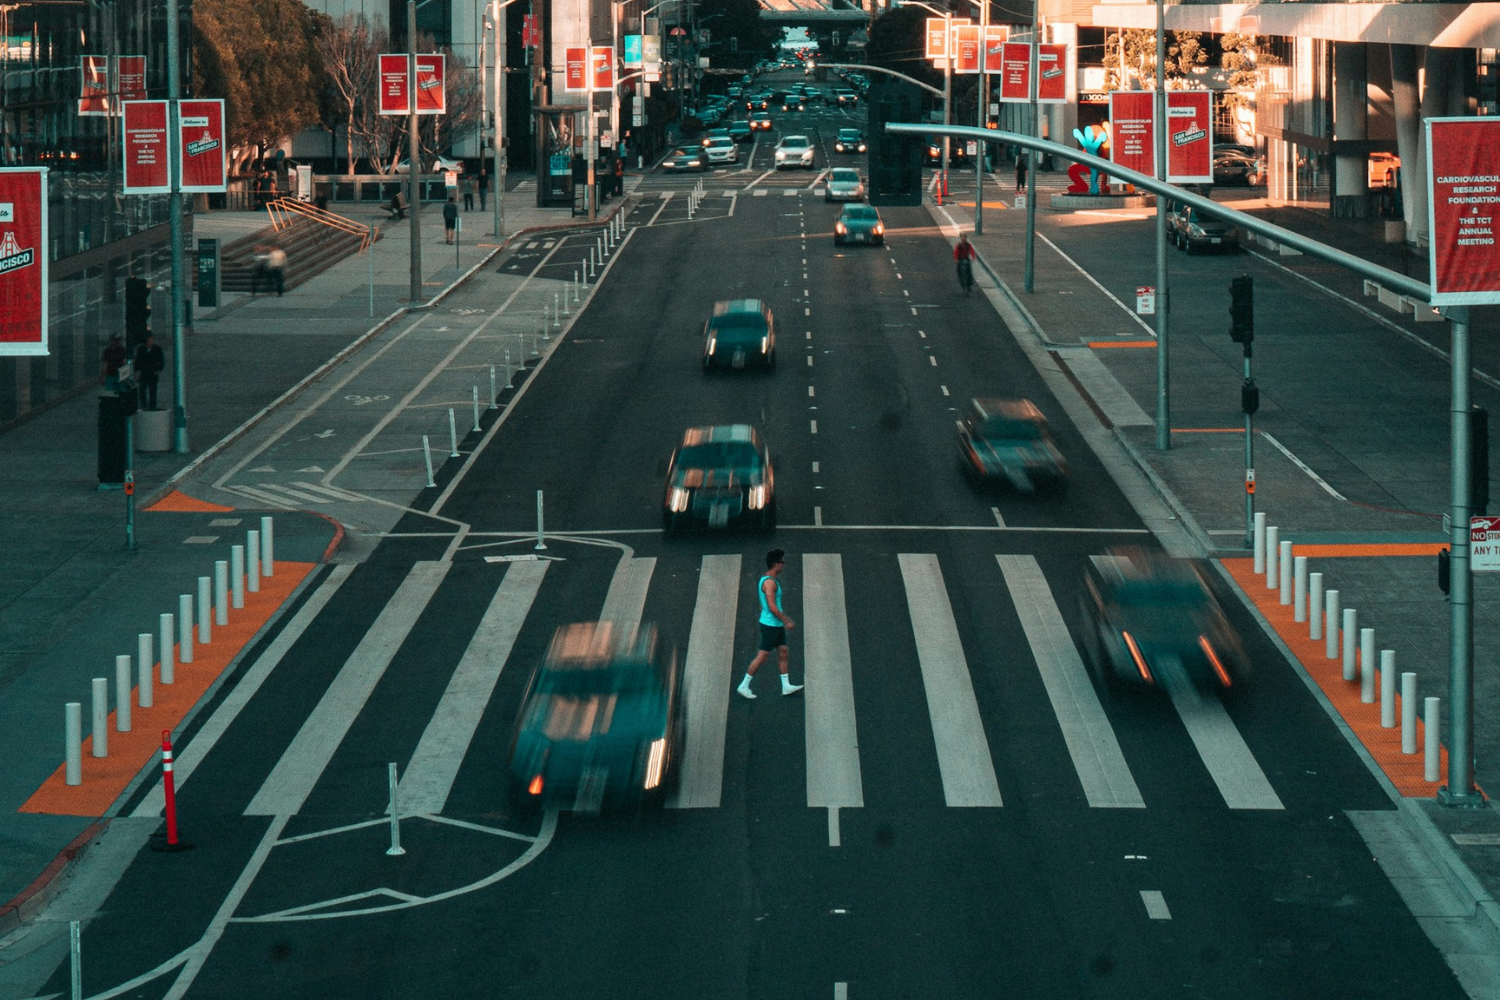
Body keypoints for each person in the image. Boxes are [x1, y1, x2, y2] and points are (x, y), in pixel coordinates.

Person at [737, 549, 803, 700]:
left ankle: (786, 686)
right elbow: (772, 606)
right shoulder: (769, 583)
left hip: (775, 625)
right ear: (776, 564)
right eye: (782, 562)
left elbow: (766, 605)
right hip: (770, 626)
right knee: (762, 656)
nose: (783, 565)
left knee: (783, 652)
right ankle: (744, 685)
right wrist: (786, 620)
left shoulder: (768, 580)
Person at [133, 332, 164, 409]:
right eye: (150, 339)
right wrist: (136, 373)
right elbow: (137, 361)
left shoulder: (157, 349)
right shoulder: (141, 349)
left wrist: (158, 370)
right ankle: (144, 406)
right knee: (142, 391)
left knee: (153, 392)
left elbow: (161, 361)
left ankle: (152, 407)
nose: (152, 340)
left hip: (153, 373)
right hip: (144, 373)